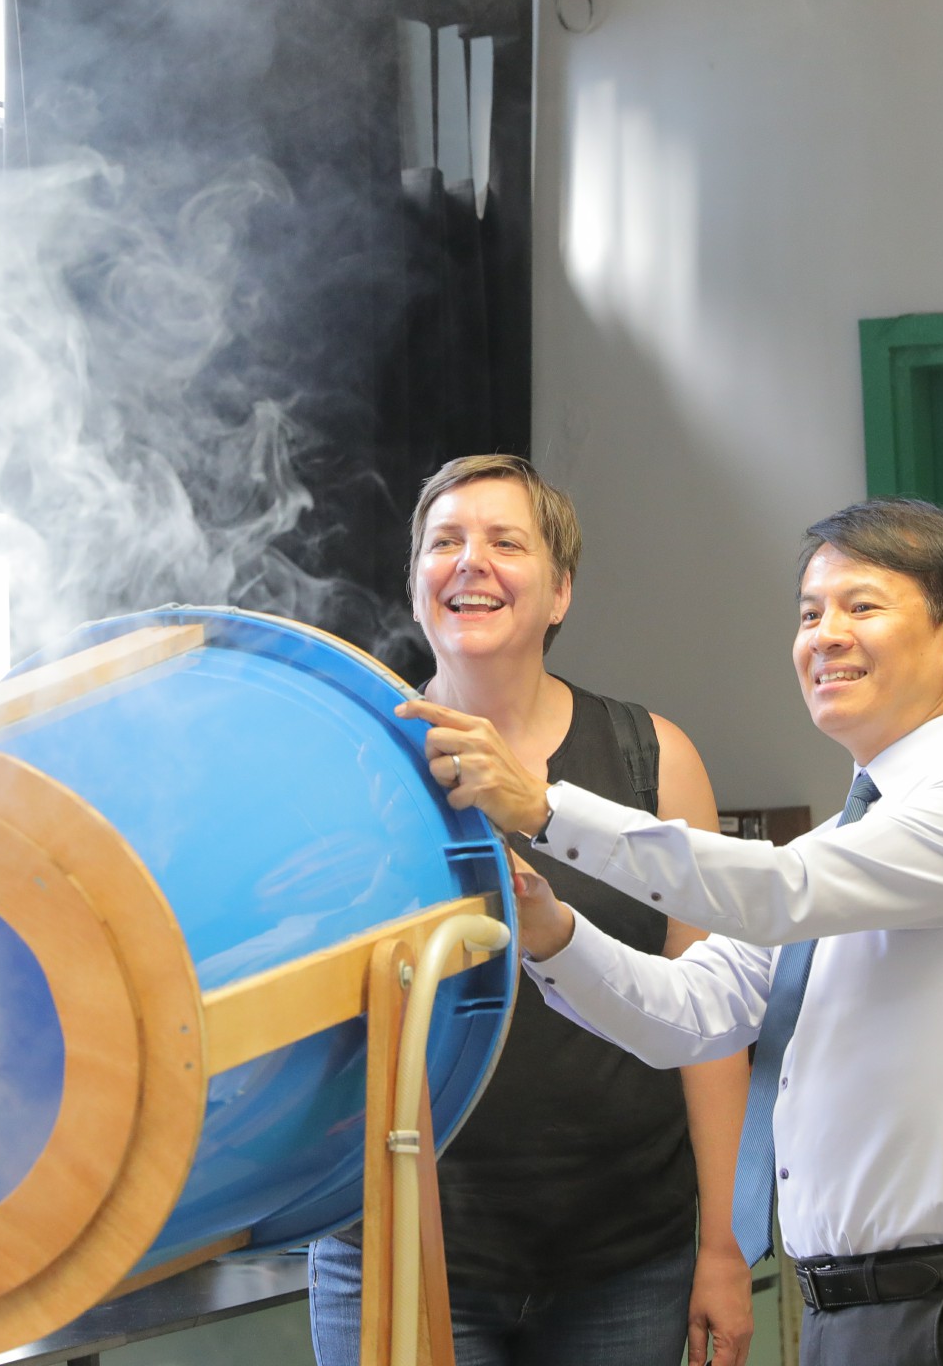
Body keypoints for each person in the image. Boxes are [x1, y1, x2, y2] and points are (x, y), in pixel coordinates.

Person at [398, 497, 943, 1366]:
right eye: (809, 613)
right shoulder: (851, 837)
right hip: (849, 1308)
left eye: (861, 606)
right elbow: (687, 1013)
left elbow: (778, 891)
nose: (825, 636)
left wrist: (542, 808)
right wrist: (551, 931)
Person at [309, 454, 755, 1366]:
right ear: (416, 585)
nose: (471, 561)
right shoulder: (349, 760)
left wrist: (722, 1242)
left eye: (506, 543)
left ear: (560, 593)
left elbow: (712, 1024)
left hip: (625, 1257)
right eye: (445, 542)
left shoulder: (653, 759)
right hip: (397, 1244)